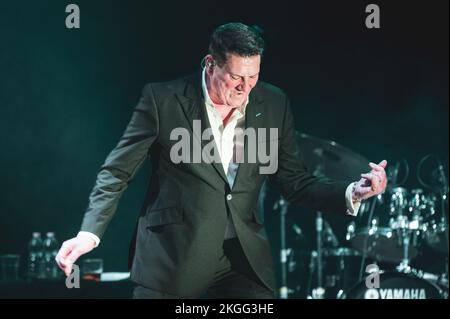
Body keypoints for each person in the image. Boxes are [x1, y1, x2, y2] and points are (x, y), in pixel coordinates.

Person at [55, 22, 387, 298]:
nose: (246, 88)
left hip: (241, 261)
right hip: (173, 257)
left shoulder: (273, 102)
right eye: (236, 78)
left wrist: (352, 192)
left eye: (253, 76)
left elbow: (293, 181)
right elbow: (116, 171)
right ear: (210, 64)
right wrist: (89, 234)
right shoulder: (162, 99)